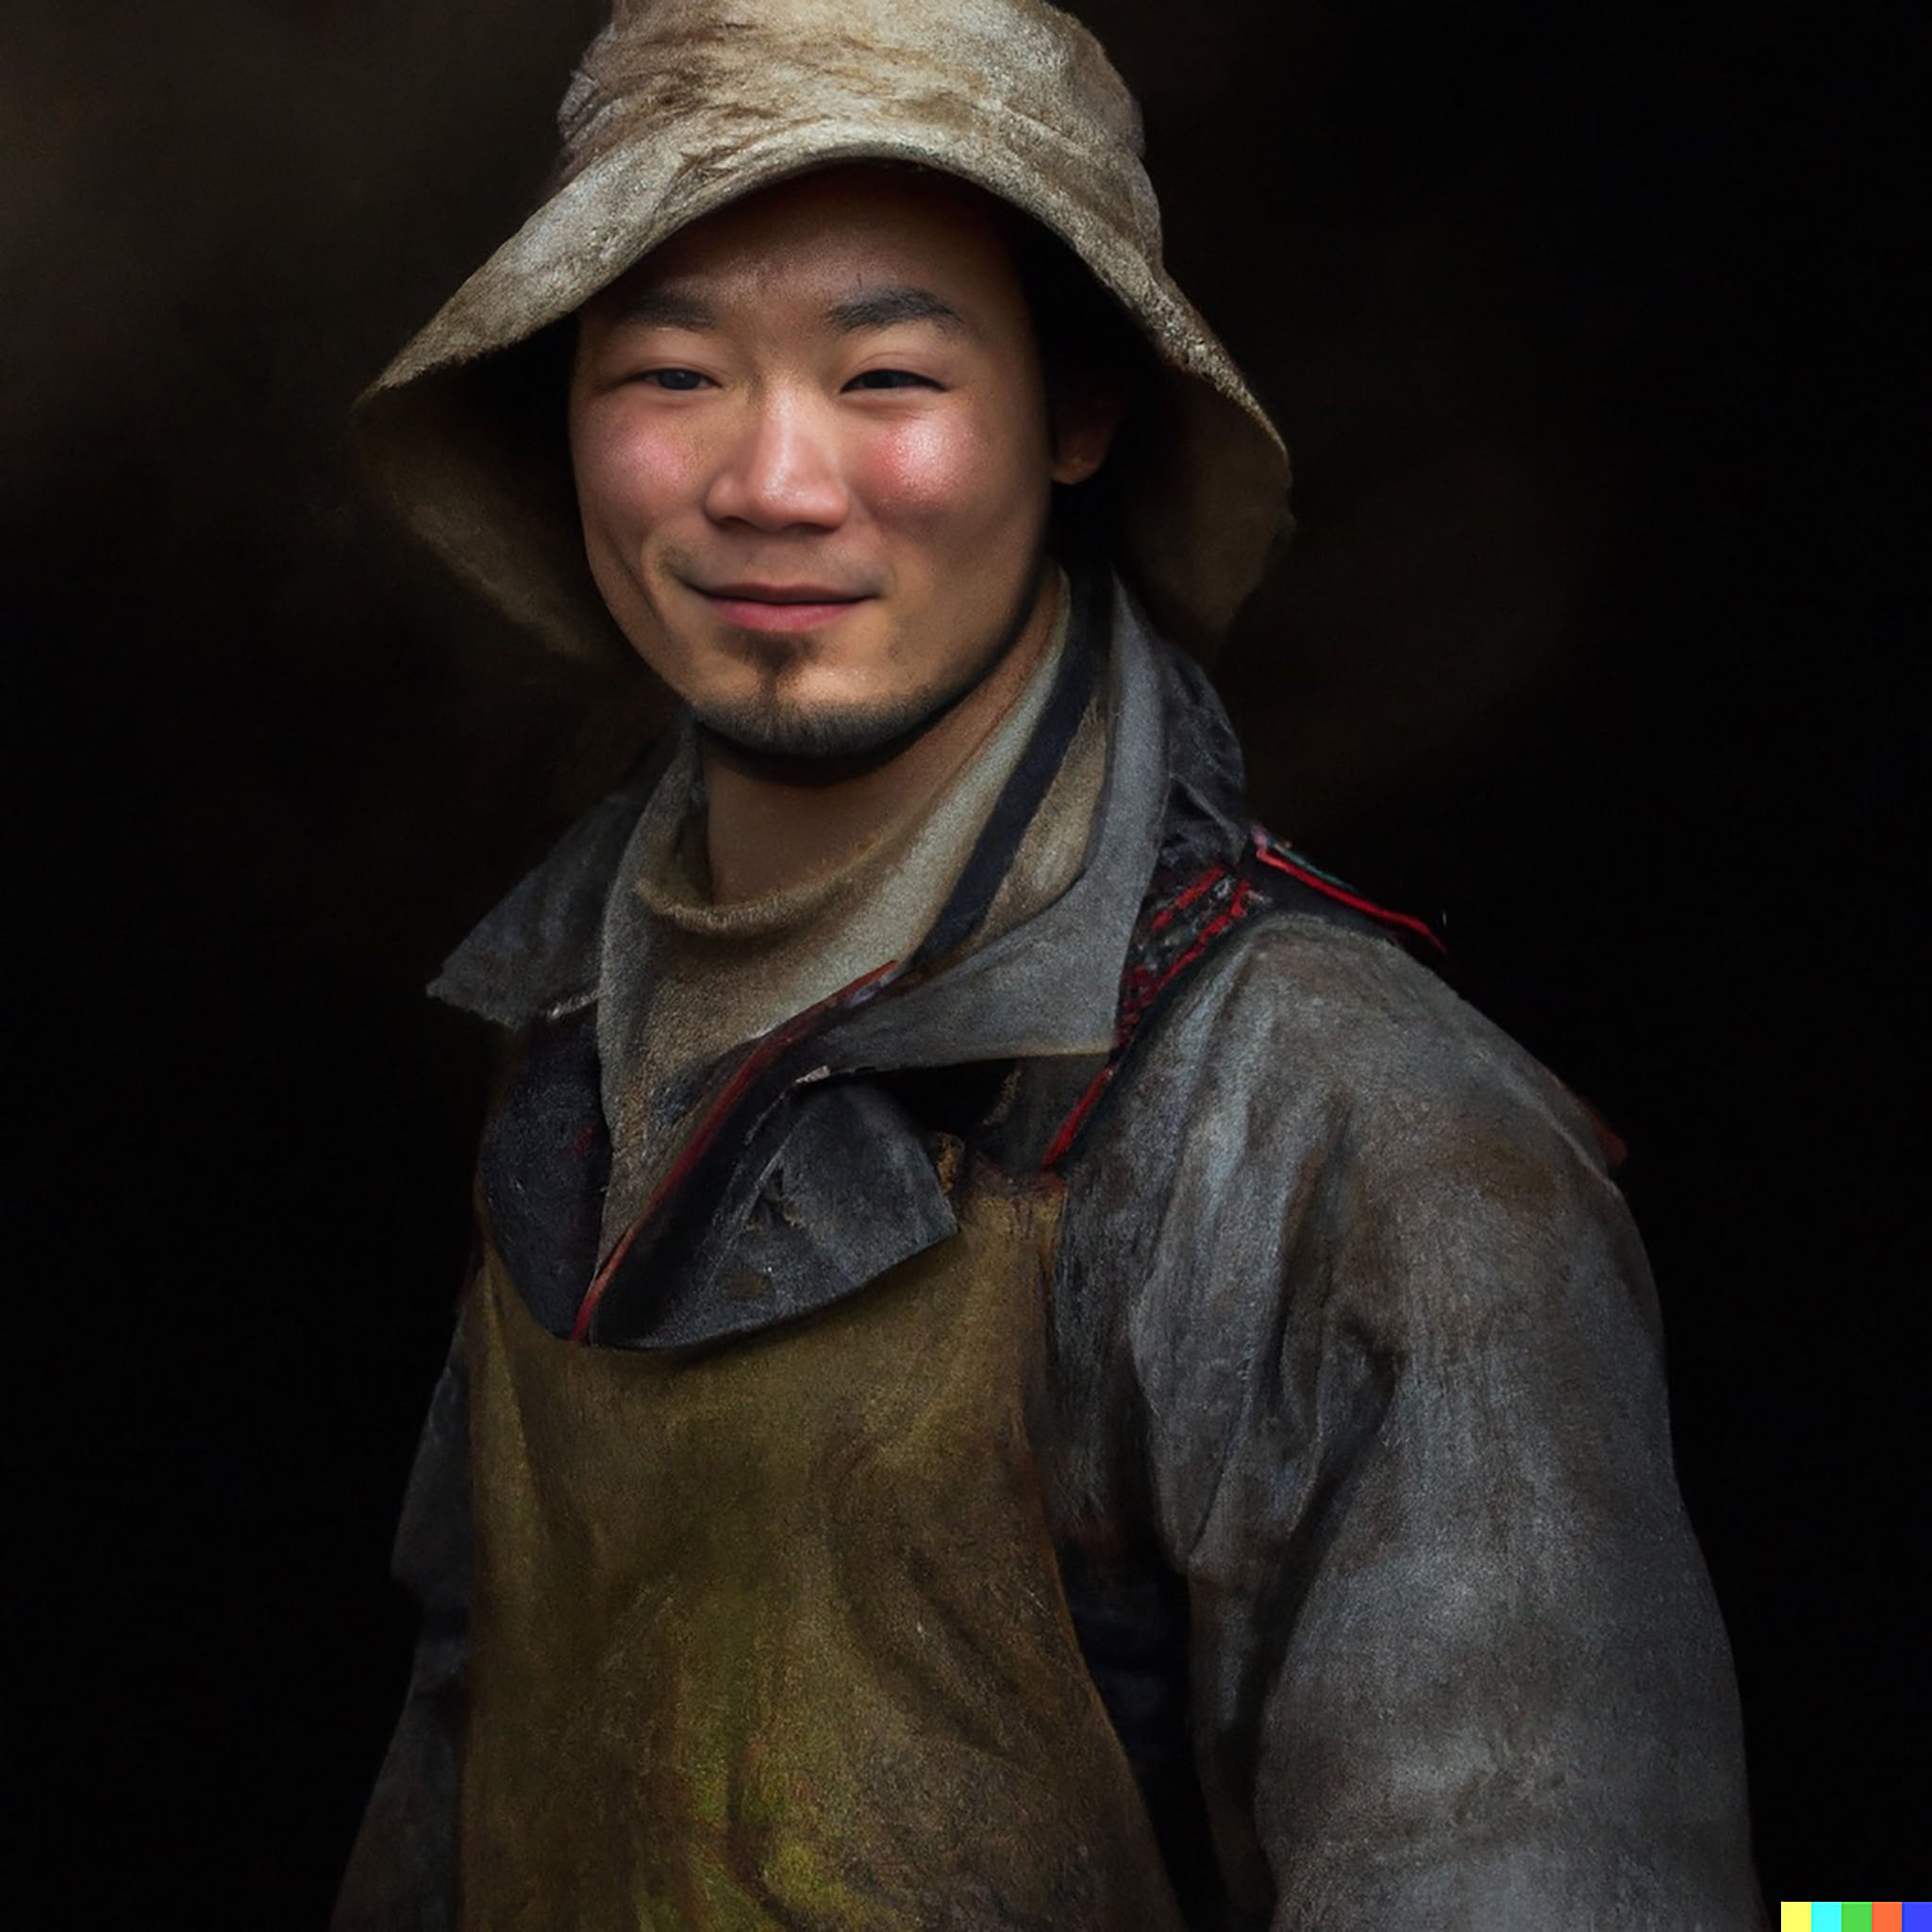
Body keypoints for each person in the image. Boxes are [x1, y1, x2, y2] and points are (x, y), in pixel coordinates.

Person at [336, 1, 1763, 1925]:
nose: (767, 481)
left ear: (1079, 410)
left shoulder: (1364, 1144)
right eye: (670, 369)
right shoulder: (580, 1044)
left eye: (887, 374)